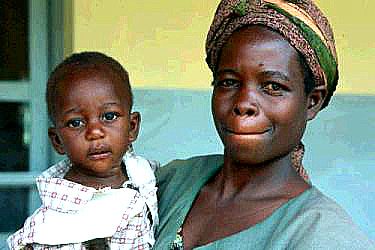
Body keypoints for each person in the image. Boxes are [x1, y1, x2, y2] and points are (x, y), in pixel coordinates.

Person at [154, 0, 374, 249]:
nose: (244, 103)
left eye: (273, 86)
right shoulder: (169, 183)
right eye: (228, 82)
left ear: (312, 102)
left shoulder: (324, 236)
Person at [8, 52, 159, 249]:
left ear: (131, 127)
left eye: (109, 116)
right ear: (57, 140)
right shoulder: (45, 229)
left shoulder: (146, 175)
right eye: (76, 122)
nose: (95, 132)